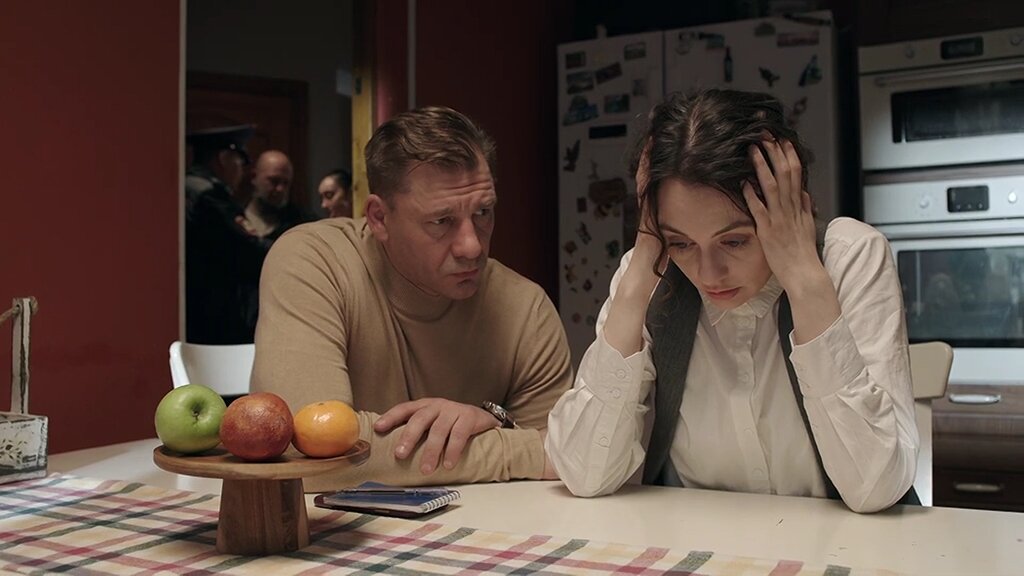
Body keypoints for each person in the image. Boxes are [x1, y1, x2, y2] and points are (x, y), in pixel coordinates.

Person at [545, 89, 918, 513]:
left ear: (785, 206)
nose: (708, 274)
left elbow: (877, 488)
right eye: (681, 242)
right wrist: (641, 265)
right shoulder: (650, 271)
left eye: (734, 241)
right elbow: (585, 475)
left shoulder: (849, 257)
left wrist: (804, 280)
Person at [251, 106, 572, 490]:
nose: (472, 246)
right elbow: (306, 454)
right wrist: (511, 448)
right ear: (379, 218)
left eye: (483, 212)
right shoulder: (313, 261)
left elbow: (567, 460)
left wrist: (494, 423)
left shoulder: (526, 308)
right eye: (441, 221)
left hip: (484, 525)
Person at [184, 124, 271, 344]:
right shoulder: (208, 197)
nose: (242, 170)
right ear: (223, 159)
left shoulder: (191, 189)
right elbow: (248, 249)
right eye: (240, 161)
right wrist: (291, 251)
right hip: (212, 314)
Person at [244, 150, 310, 241]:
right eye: (274, 181)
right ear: (254, 177)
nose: (280, 189)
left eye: (286, 183)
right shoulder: (233, 216)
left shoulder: (301, 222)